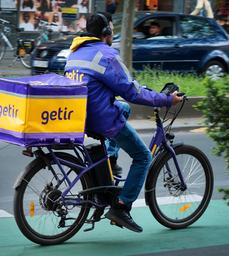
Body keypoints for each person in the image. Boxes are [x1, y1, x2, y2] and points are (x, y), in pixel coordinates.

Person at [64, 12, 183, 233]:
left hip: (80, 115)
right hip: (101, 118)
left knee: (124, 109)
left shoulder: (75, 52)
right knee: (143, 156)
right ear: (106, 32)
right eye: (110, 29)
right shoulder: (106, 55)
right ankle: (121, 206)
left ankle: (110, 158)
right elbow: (131, 91)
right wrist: (166, 99)